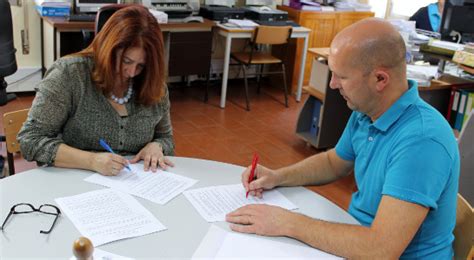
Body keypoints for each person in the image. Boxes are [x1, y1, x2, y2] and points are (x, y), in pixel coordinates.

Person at [226, 18, 460, 259]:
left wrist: (289, 223)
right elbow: (333, 162)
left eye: (341, 76)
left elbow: (380, 249)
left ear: (380, 79)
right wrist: (277, 177)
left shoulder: (422, 140)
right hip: (358, 239)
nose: (333, 84)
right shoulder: (367, 111)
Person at [18, 5, 174, 176]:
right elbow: (30, 140)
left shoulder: (152, 83)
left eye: (141, 66)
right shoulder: (69, 75)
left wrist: (157, 146)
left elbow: (166, 138)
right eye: (126, 61)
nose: (131, 72)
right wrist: (91, 161)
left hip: (135, 185)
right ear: (108, 50)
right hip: (74, 182)